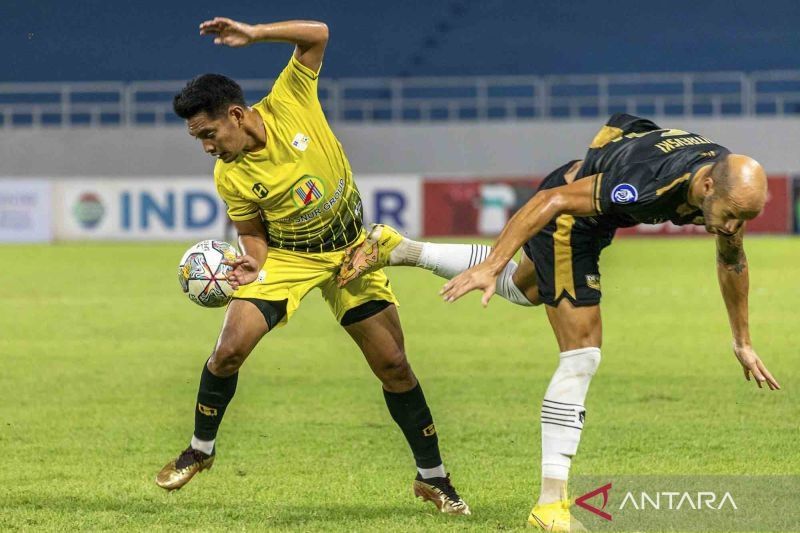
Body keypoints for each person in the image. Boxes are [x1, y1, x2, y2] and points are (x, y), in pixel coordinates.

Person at [338, 113, 781, 531]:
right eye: (730, 214)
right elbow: (549, 201)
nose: (733, 225)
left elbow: (731, 257)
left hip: (596, 202)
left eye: (744, 218)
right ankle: (551, 503)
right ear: (706, 185)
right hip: (571, 219)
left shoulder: (727, 186)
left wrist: (741, 340)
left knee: (527, 290)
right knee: (582, 354)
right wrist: (493, 262)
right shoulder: (645, 186)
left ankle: (400, 249)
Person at [155, 17, 470, 516]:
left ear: (236, 114)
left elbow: (318, 32)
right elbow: (253, 233)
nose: (208, 146)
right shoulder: (228, 175)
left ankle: (433, 478)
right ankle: (200, 448)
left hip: (353, 253)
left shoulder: (289, 100)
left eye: (209, 133)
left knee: (394, 366)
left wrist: (255, 34)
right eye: (199, 139)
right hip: (289, 259)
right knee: (229, 350)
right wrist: (251, 267)